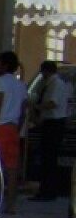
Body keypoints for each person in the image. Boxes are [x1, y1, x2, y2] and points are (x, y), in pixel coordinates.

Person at [0, 50, 29, 213]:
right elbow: (25, 109)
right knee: (12, 169)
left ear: (4, 65)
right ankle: (11, 204)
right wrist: (18, 127)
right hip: (13, 128)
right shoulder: (20, 85)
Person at [30, 60, 71, 201]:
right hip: (49, 123)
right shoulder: (49, 84)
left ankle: (48, 191)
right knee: (47, 158)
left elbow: (52, 103)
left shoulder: (56, 84)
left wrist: (36, 106)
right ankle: (46, 189)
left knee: (49, 159)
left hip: (54, 124)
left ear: (46, 71)